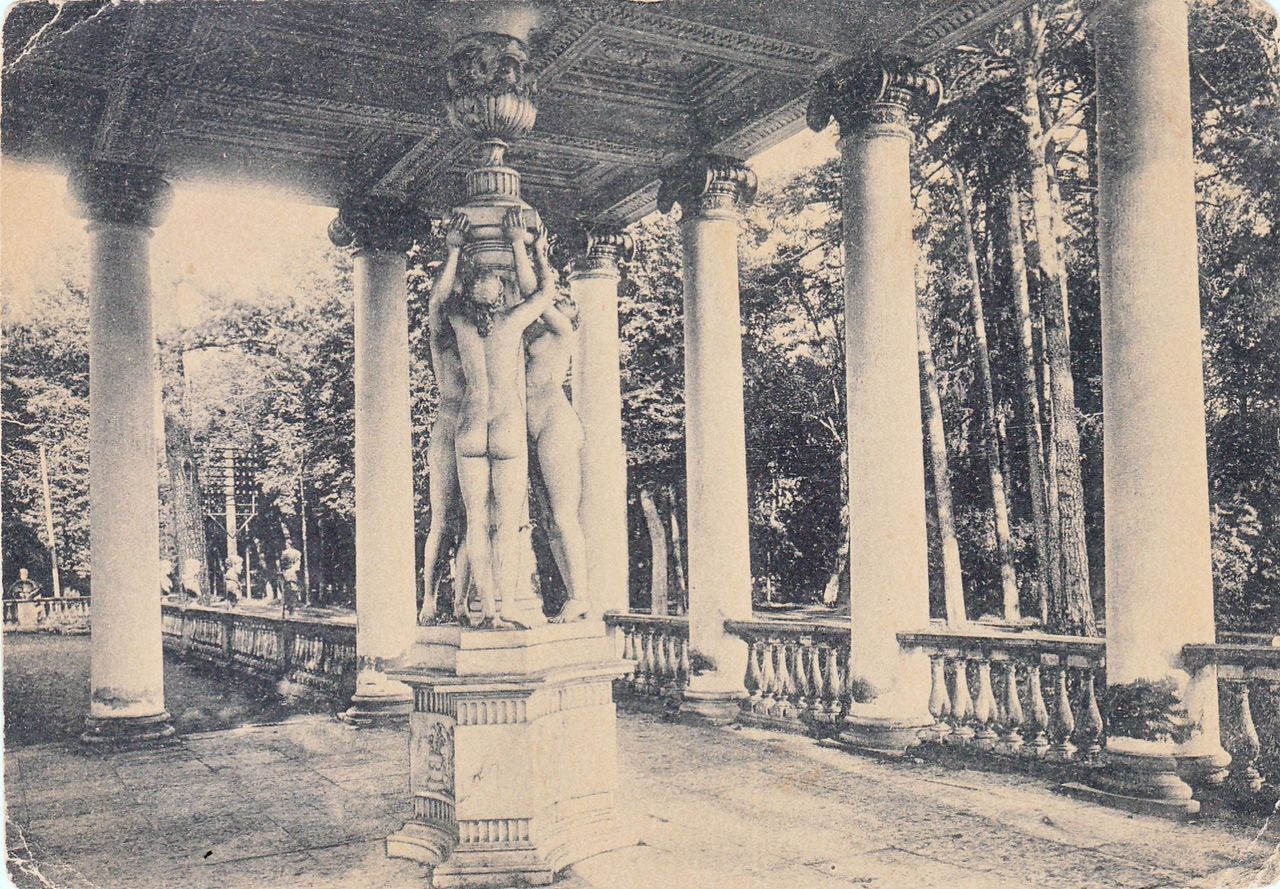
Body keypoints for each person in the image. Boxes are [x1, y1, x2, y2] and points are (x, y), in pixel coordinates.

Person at [446, 212, 557, 628]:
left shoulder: (459, 322)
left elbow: (439, 299)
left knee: (476, 521)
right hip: (507, 427)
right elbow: (546, 293)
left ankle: (487, 607)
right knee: (507, 525)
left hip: (470, 427)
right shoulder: (513, 321)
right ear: (498, 295)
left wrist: (454, 251)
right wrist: (527, 247)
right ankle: (508, 604)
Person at [524, 291, 591, 622]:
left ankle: (581, 595)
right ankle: (572, 596)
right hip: (531, 428)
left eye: (569, 301)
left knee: (564, 517)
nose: (563, 299)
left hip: (555, 423)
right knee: (550, 521)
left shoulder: (564, 331)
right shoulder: (535, 333)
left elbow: (536, 301)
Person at [419, 212, 470, 624]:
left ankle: (460, 601)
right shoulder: (444, 339)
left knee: (472, 524)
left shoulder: (485, 340)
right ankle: (430, 599)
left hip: (473, 428)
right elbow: (436, 302)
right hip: (449, 425)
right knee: (442, 518)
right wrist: (453, 251)